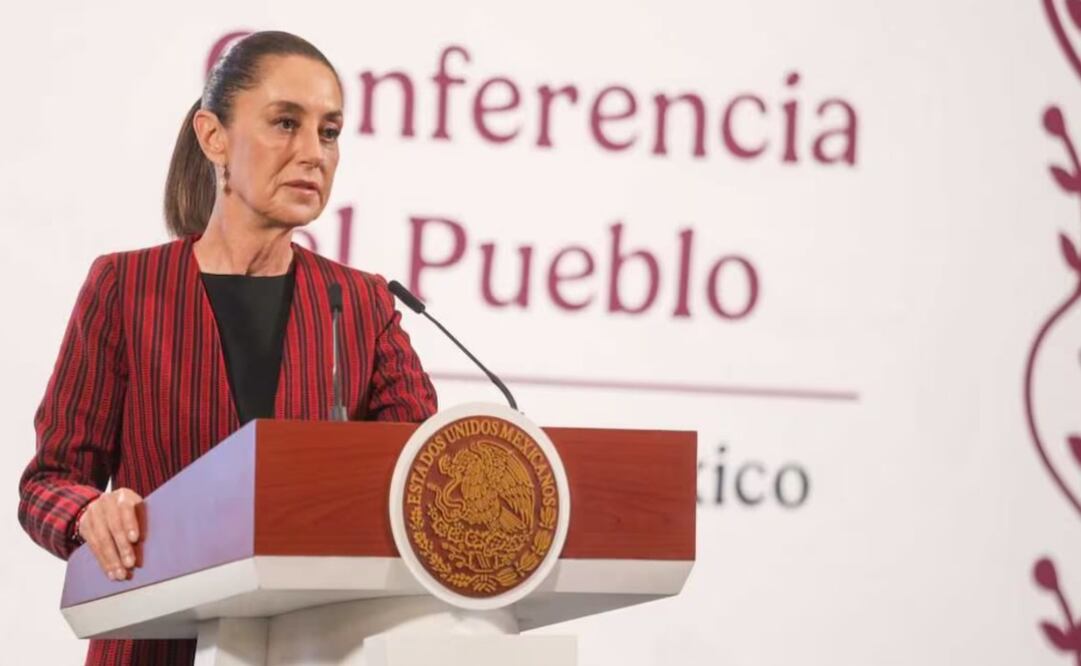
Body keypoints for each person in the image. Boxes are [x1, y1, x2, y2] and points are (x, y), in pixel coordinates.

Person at [16, 31, 438, 665]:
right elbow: (48, 482)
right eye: (285, 124)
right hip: (153, 642)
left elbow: (426, 478)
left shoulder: (362, 305)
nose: (312, 153)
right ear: (213, 137)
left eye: (329, 131)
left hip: (315, 644)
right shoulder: (125, 288)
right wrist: (90, 514)